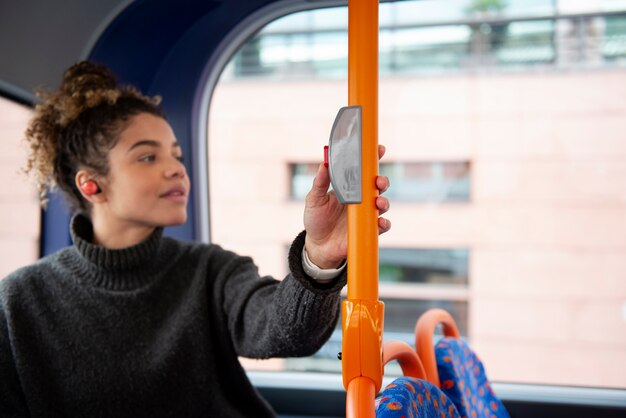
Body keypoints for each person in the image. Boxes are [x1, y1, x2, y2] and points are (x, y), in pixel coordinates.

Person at [0, 61, 391, 417]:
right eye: (148, 157)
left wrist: (318, 256)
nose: (176, 171)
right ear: (91, 185)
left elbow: (285, 331)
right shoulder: (19, 303)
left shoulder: (209, 269)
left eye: (177, 156)